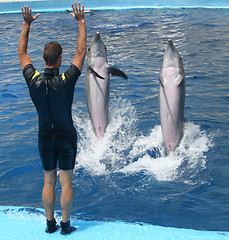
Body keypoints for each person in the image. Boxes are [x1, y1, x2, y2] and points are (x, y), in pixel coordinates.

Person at [18, 2, 86, 235]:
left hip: (44, 136)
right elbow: (81, 53)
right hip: (66, 137)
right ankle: (65, 225)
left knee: (49, 182)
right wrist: (80, 21)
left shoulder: (33, 80)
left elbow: (22, 53)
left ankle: (50, 224)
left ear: (44, 59)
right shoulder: (66, 81)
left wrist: (26, 25)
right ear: (58, 61)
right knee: (66, 182)